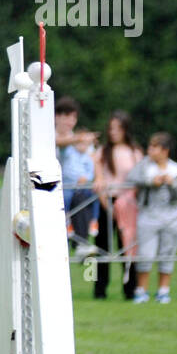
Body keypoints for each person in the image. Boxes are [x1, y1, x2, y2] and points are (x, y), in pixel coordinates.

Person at [127, 132, 177, 304]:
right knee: (145, 254)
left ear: (164, 150)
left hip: (172, 217)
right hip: (148, 215)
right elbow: (131, 177)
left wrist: (172, 183)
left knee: (167, 253)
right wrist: (150, 181)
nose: (150, 150)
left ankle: (163, 291)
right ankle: (142, 291)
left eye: (154, 147)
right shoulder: (145, 166)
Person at [92, 109, 143, 300]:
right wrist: (106, 203)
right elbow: (98, 176)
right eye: (111, 128)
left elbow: (138, 178)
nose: (113, 132)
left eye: (117, 129)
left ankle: (131, 289)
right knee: (102, 247)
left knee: (127, 246)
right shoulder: (103, 152)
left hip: (128, 201)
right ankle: (100, 290)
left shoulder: (135, 152)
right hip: (107, 200)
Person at [54, 96, 100, 260]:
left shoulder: (80, 140)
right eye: (67, 116)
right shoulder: (52, 136)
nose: (71, 121)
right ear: (56, 116)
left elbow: (94, 159)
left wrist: (97, 179)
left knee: (85, 198)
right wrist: (79, 139)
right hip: (52, 192)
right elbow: (58, 142)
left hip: (75, 190)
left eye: (74, 117)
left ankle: (81, 240)